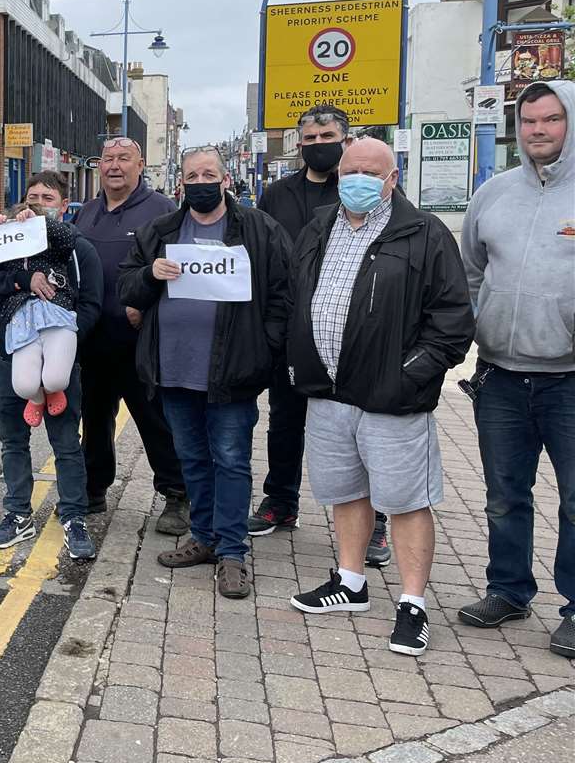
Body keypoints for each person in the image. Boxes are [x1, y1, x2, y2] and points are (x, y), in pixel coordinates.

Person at [285, 138, 473, 655]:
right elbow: (296, 295)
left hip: (392, 397)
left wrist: (408, 374)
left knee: (407, 500)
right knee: (345, 491)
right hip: (328, 391)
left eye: (372, 171)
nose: (359, 179)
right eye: (351, 171)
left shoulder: (424, 233)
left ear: (392, 178)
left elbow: (453, 322)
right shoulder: (319, 227)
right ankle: (350, 582)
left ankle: (413, 604)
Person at [118, 147, 289, 600]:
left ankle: (233, 552)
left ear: (226, 179)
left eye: (208, 173)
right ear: (181, 182)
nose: (200, 181)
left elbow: (282, 295)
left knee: (230, 460)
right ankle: (205, 536)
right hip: (173, 369)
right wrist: (150, 274)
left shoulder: (257, 229)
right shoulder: (162, 230)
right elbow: (126, 286)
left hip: (233, 371)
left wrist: (265, 350)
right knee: (192, 459)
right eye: (192, 174)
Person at [457, 80, 575, 659]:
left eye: (551, 120)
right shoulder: (495, 193)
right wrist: (479, 324)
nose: (538, 130)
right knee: (505, 494)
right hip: (501, 375)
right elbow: (470, 270)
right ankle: (507, 590)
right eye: (529, 121)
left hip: (571, 380)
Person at [251, 105, 393, 565]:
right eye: (308, 138)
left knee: (359, 430)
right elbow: (262, 254)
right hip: (293, 328)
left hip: (352, 332)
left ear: (345, 139)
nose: (317, 144)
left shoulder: (365, 189)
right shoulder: (276, 194)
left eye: (326, 135)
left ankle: (376, 525)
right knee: (285, 421)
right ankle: (281, 501)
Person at [0, 171, 103, 561]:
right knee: (13, 441)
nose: (39, 202)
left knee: (66, 444)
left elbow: (92, 304)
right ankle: (17, 514)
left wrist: (59, 345)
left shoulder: (76, 246)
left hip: (58, 358)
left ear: (64, 207)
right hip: (7, 356)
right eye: (33, 196)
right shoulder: (8, 239)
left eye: (48, 197)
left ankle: (73, 516)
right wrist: (22, 279)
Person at [73, 136, 186, 531]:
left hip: (141, 342)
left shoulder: (163, 211)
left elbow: (179, 271)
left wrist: (148, 305)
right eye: (108, 159)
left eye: (124, 158)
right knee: (95, 419)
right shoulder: (86, 213)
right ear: (98, 167)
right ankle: (93, 489)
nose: (114, 166)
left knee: (155, 421)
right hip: (92, 340)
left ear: (141, 166)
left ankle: (177, 495)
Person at [0, 201, 80, 427]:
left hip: (57, 313)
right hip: (21, 320)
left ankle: (52, 390)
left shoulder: (56, 249)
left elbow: (67, 237)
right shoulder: (8, 257)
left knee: (56, 379)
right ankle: (38, 397)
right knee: (24, 386)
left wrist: (39, 222)